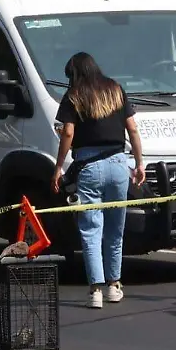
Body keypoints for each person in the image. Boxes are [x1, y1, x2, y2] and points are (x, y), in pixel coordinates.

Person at [52, 52, 145, 309]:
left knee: (91, 229)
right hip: (118, 163)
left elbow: (68, 132)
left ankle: (95, 290)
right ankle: (115, 285)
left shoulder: (74, 96)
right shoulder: (116, 89)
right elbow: (133, 129)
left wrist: (59, 167)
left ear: (76, 74)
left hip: (89, 166)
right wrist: (138, 163)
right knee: (115, 229)